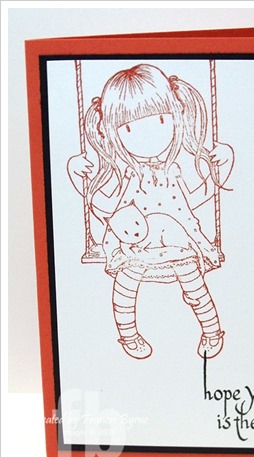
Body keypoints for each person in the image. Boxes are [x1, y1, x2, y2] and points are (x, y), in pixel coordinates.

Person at [67, 63, 234, 360]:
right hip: (136, 247)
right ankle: (129, 336)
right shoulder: (129, 176)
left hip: (178, 245)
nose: (150, 136)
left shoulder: (174, 173)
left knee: (195, 288)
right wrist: (75, 173)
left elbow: (197, 198)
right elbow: (102, 204)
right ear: (111, 132)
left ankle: (212, 331)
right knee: (124, 288)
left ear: (176, 116)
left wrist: (224, 167)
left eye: (161, 120)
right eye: (129, 129)